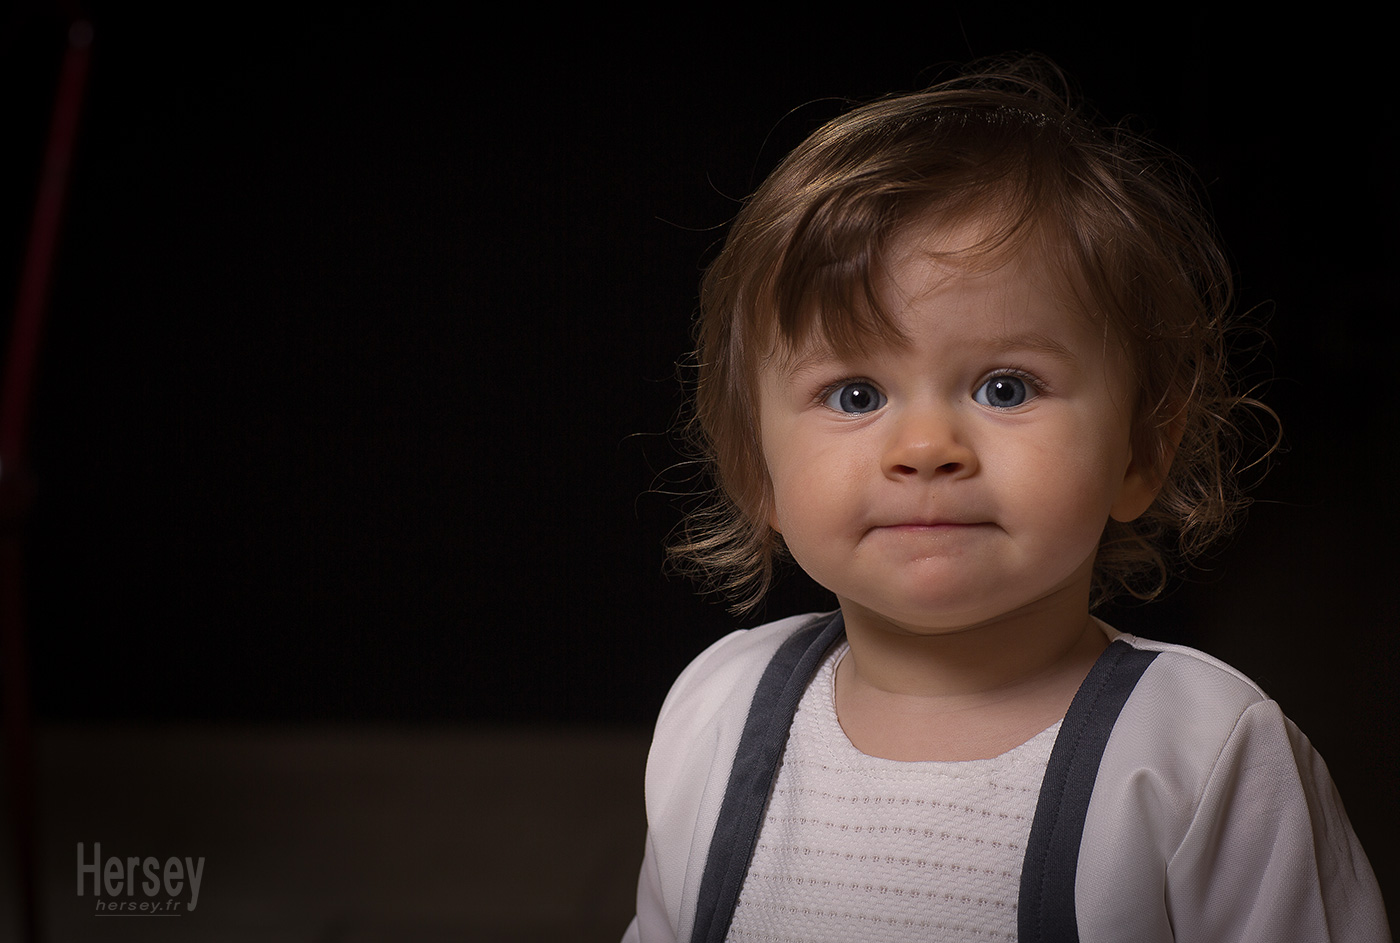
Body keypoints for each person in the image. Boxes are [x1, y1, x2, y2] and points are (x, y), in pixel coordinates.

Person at [624, 56, 1390, 943]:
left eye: (1005, 387)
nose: (925, 448)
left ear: (1143, 447)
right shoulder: (716, 710)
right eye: (856, 395)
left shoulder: (1202, 753)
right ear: (755, 467)